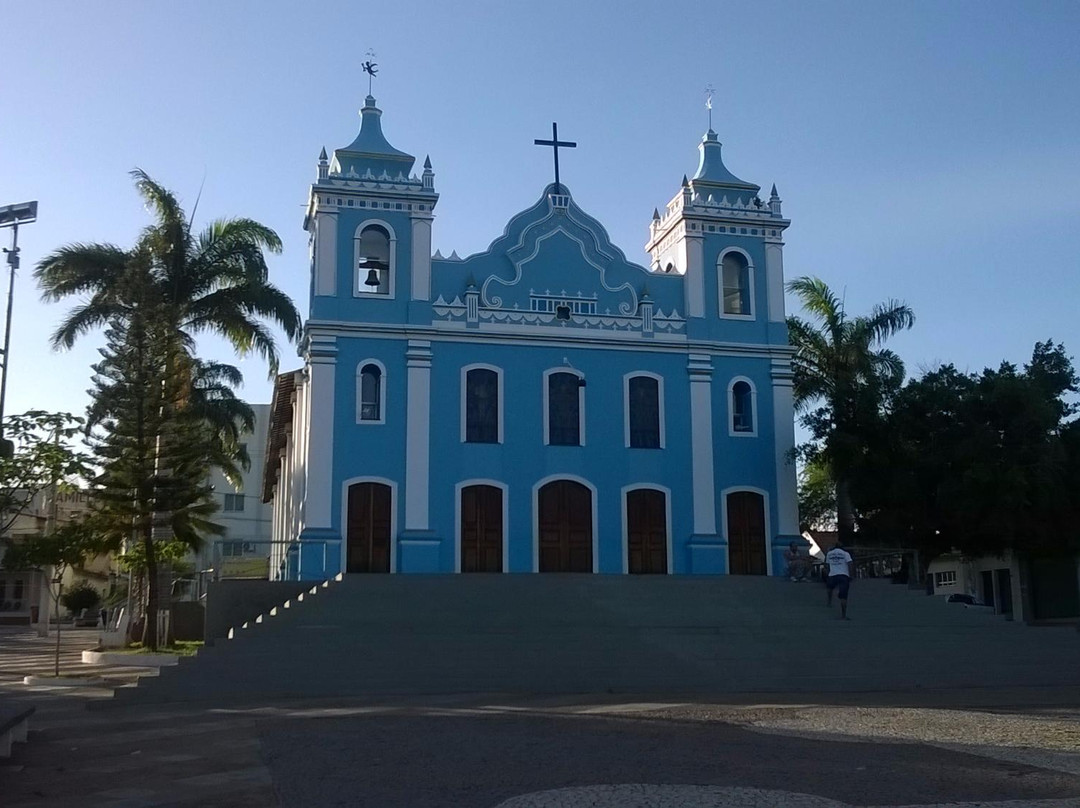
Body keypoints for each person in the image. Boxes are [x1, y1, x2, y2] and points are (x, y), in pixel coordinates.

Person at [825, 540, 854, 619]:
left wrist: (827, 574)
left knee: (829, 588)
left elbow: (827, 565)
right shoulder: (845, 554)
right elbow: (850, 564)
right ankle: (843, 615)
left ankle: (829, 601)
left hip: (832, 574)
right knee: (844, 596)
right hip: (843, 575)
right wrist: (851, 575)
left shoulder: (829, 553)